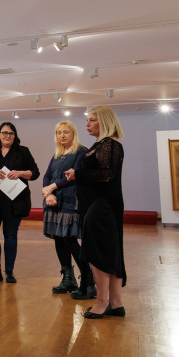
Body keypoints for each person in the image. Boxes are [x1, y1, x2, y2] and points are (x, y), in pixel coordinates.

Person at [65, 105, 126, 319]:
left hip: (101, 206)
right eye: (87, 120)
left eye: (92, 120)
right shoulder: (101, 144)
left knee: (98, 254)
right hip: (98, 205)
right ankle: (116, 303)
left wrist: (78, 174)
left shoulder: (110, 144)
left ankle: (102, 302)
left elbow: (106, 174)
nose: (87, 124)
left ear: (105, 121)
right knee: (109, 252)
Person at [0, 122, 39, 283]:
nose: (7, 136)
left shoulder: (23, 151)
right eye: (4, 133)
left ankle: (9, 271)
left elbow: (35, 173)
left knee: (10, 236)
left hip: (14, 201)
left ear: (15, 136)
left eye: (11, 133)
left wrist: (20, 173)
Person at [41, 121, 88, 294]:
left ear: (73, 133)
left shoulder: (81, 151)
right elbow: (47, 176)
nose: (62, 135)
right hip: (54, 202)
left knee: (70, 240)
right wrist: (48, 194)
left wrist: (51, 188)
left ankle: (88, 278)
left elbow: (74, 176)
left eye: (66, 132)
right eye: (59, 132)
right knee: (59, 240)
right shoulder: (57, 154)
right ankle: (68, 279)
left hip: (70, 202)